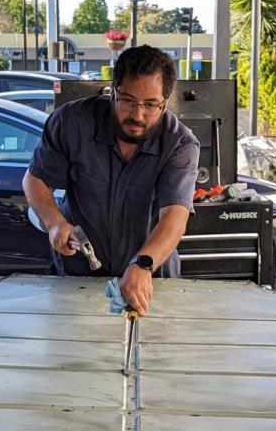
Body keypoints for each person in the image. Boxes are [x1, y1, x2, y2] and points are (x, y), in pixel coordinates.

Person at [23, 44, 199, 315]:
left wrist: (143, 264)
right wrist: (54, 223)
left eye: (150, 104)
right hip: (76, 279)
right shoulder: (71, 122)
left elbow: (174, 217)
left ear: (165, 102)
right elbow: (34, 179)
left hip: (151, 281)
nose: (137, 115)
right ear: (113, 91)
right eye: (127, 100)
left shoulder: (180, 144)